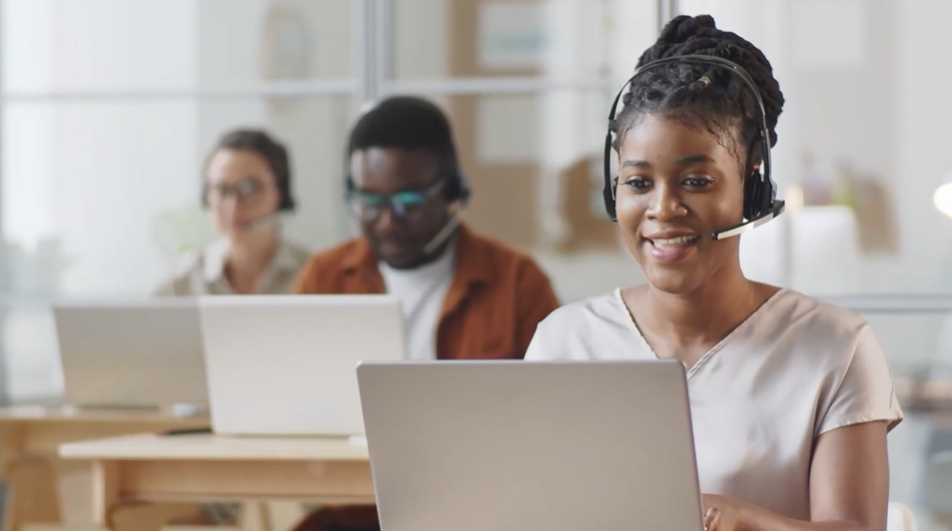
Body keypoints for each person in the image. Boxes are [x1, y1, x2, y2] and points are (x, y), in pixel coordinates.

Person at [526, 15, 902, 531]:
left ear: (751, 189)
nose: (663, 208)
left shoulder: (835, 346)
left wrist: (739, 518)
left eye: (696, 180)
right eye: (637, 182)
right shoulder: (564, 342)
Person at [291, 96, 561, 531]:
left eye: (408, 201)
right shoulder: (325, 277)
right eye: (368, 201)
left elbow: (555, 419)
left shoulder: (517, 283)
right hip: (356, 509)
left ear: (453, 192)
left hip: (480, 512)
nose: (386, 222)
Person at [153, 129, 310, 296]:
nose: (234, 206)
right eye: (221, 190)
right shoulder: (181, 281)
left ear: (280, 194)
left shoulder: (316, 275)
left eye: (249, 188)